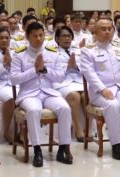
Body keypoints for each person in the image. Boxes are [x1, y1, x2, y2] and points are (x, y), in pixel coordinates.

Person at [11, 22, 74, 167]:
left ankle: (63, 149)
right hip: (29, 94)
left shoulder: (53, 53)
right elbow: (14, 79)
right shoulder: (19, 55)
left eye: (41, 35)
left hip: (49, 92)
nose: (39, 39)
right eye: (35, 36)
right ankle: (37, 150)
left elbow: (60, 77)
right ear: (27, 37)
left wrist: (44, 70)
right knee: (34, 110)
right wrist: (34, 70)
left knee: (65, 108)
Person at [79, 19, 120, 160]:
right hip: (99, 92)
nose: (107, 31)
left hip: (119, 88)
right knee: (113, 105)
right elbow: (89, 74)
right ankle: (116, 145)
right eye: (103, 29)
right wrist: (102, 89)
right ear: (95, 31)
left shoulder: (118, 49)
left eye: (110, 29)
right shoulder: (87, 51)